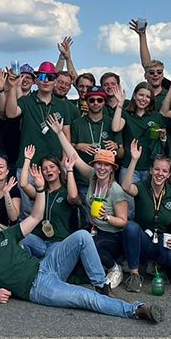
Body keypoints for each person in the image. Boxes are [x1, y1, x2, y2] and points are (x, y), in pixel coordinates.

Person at [0, 182, 162, 324]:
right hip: (38, 288)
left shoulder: (7, 235)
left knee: (82, 236)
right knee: (86, 298)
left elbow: (35, 216)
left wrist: (40, 189)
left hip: (45, 265)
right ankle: (136, 310)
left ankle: (101, 286)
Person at [48, 116, 128, 288]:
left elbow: (123, 222)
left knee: (92, 246)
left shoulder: (116, 190)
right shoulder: (92, 176)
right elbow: (74, 156)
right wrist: (60, 133)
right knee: (77, 242)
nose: (102, 168)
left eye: (106, 165)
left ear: (112, 169)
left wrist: (107, 217)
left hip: (111, 234)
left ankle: (115, 268)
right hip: (93, 229)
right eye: (99, 164)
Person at [120, 140, 171, 293]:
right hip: (144, 238)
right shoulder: (142, 186)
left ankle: (156, 265)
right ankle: (134, 274)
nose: (160, 174)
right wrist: (134, 160)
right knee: (130, 227)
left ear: (168, 175)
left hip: (162, 239)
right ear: (151, 170)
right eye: (157, 169)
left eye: (164, 171)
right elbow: (126, 187)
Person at [5, 60, 73, 169]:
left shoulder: (63, 105)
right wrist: (13, 87)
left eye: (50, 77)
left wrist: (64, 160)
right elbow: (10, 114)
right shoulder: (26, 100)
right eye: (42, 77)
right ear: (36, 81)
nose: (46, 81)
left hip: (54, 166)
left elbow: (66, 135)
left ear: (55, 82)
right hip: (28, 165)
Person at [19, 146, 80, 257]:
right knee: (20, 237)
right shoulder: (40, 192)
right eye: (44, 169)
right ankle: (27, 265)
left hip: (59, 241)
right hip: (39, 241)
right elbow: (23, 184)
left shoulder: (66, 191)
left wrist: (69, 170)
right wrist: (27, 159)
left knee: (50, 256)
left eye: (52, 167)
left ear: (59, 170)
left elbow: (73, 196)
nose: (48, 170)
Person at [110, 82, 171, 187]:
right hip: (129, 167)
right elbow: (115, 127)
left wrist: (163, 138)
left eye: (148, 97)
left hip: (151, 168)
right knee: (128, 197)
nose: (144, 99)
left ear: (151, 100)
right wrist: (120, 104)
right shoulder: (127, 114)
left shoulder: (156, 117)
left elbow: (162, 146)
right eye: (141, 95)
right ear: (134, 96)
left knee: (148, 197)